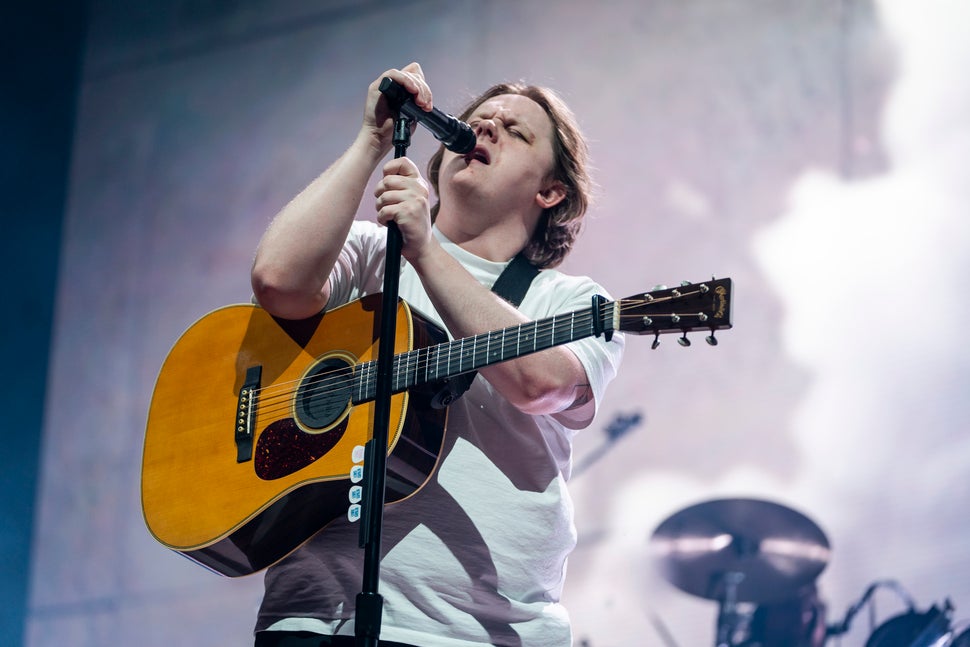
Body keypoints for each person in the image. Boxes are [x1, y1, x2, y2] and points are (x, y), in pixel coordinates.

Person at [249, 62, 625, 647]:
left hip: (477, 632)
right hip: (313, 615)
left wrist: (426, 250)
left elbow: (538, 385)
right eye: (480, 121)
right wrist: (370, 141)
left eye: (517, 131)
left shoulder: (573, 300)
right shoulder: (373, 254)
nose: (488, 128)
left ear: (550, 191)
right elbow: (277, 280)